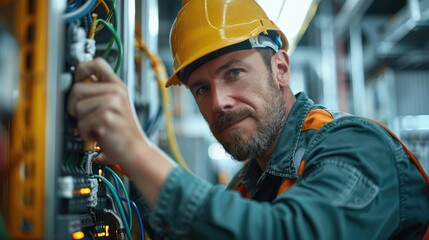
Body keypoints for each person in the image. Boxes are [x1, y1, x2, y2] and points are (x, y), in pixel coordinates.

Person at [68, 0, 429, 239]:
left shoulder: (356, 148)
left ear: (281, 69)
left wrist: (139, 151)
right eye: (201, 89)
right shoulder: (251, 181)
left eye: (234, 73)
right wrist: (135, 178)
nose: (219, 102)